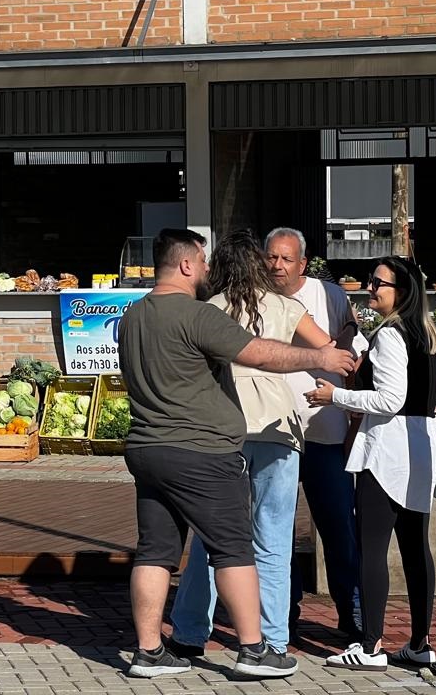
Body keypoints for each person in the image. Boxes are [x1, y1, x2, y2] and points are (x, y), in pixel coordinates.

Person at [118, 228, 354, 680]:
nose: (207, 268)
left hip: (148, 447)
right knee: (233, 550)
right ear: (186, 264)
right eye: (202, 260)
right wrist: (319, 358)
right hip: (201, 451)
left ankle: (149, 652)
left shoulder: (134, 316)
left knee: (156, 552)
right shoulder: (197, 315)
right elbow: (259, 354)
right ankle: (255, 650)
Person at [167, 230, 334, 659]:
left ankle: (189, 633)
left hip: (224, 430)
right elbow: (329, 349)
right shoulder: (287, 307)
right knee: (273, 541)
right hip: (279, 430)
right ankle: (273, 639)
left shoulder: (208, 310)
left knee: (211, 539)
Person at [306, 257, 436, 671]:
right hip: (420, 446)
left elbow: (389, 399)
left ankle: (369, 646)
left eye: (378, 282)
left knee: (371, 548)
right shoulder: (425, 332)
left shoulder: (391, 334)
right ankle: (419, 642)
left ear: (400, 291)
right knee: (415, 547)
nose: (370, 287)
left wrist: (335, 396)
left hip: (387, 450)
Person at [265, 227, 366, 640]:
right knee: (278, 531)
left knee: (340, 528)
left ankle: (352, 611)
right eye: (272, 257)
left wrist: (354, 417)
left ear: (302, 263)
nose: (278, 265)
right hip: (276, 435)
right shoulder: (255, 299)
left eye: (286, 258)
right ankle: (283, 614)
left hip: (326, 433)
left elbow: (353, 350)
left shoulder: (330, 295)